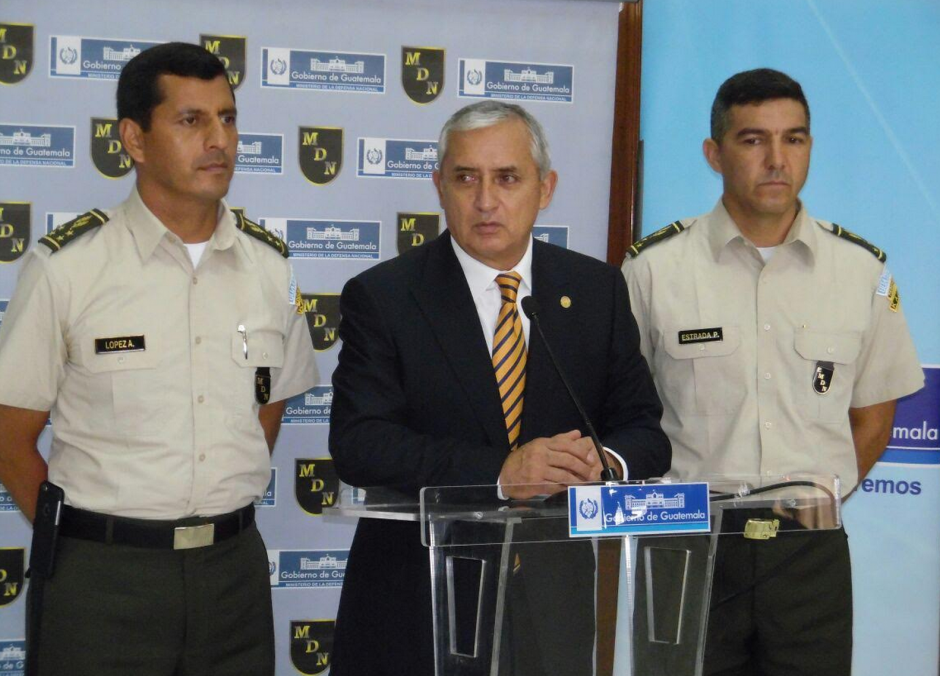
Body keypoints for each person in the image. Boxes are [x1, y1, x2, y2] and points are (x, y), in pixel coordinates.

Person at [0, 42, 317, 676]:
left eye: (227, 118)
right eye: (191, 120)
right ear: (134, 139)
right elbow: (10, 436)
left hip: (232, 575)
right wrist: (88, 539)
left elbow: (268, 410)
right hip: (103, 580)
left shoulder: (270, 268)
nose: (219, 140)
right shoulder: (68, 268)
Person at [328, 100, 671, 675]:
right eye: (466, 178)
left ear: (545, 188)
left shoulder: (595, 290)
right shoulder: (384, 296)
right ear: (439, 187)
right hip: (418, 599)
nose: (486, 201)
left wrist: (602, 461)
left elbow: (645, 433)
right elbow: (360, 444)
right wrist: (502, 473)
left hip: (552, 599)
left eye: (508, 178)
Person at [622, 68, 924, 676]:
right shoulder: (653, 270)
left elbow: (873, 418)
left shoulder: (860, 271)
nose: (777, 159)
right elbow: (626, 413)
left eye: (794, 139)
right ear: (714, 154)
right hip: (687, 542)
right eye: (753, 140)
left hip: (808, 552)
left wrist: (805, 504)